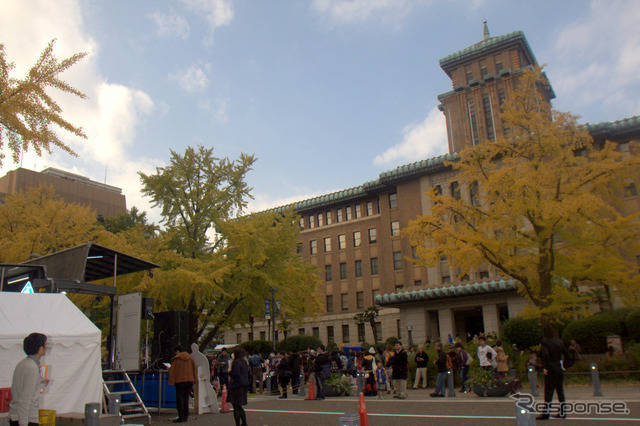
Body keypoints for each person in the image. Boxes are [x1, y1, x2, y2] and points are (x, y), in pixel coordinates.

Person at [9, 333, 49, 426]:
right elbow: (25, 399)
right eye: (46, 344)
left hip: (18, 417)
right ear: (40, 348)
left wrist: (40, 384)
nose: (47, 347)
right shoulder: (31, 367)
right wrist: (23, 423)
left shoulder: (23, 364)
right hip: (26, 419)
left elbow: (21, 389)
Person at [537, 337, 569, 420]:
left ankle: (546, 413)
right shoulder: (559, 342)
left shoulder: (545, 342)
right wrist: (565, 365)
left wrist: (546, 367)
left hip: (551, 369)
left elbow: (545, 354)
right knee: (560, 391)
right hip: (559, 368)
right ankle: (562, 412)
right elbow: (567, 353)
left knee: (548, 392)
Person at [168, 345, 197, 423]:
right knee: (186, 398)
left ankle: (181, 417)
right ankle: (186, 416)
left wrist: (170, 374)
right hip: (189, 380)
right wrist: (194, 379)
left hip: (180, 381)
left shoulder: (176, 359)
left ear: (177, 351)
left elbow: (173, 371)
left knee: (179, 399)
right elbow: (194, 369)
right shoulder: (190, 358)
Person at [228, 347, 250, 426]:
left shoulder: (236, 362)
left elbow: (236, 374)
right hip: (243, 385)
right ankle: (244, 422)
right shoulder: (244, 362)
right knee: (239, 405)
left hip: (236, 385)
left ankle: (238, 423)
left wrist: (230, 372)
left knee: (236, 406)